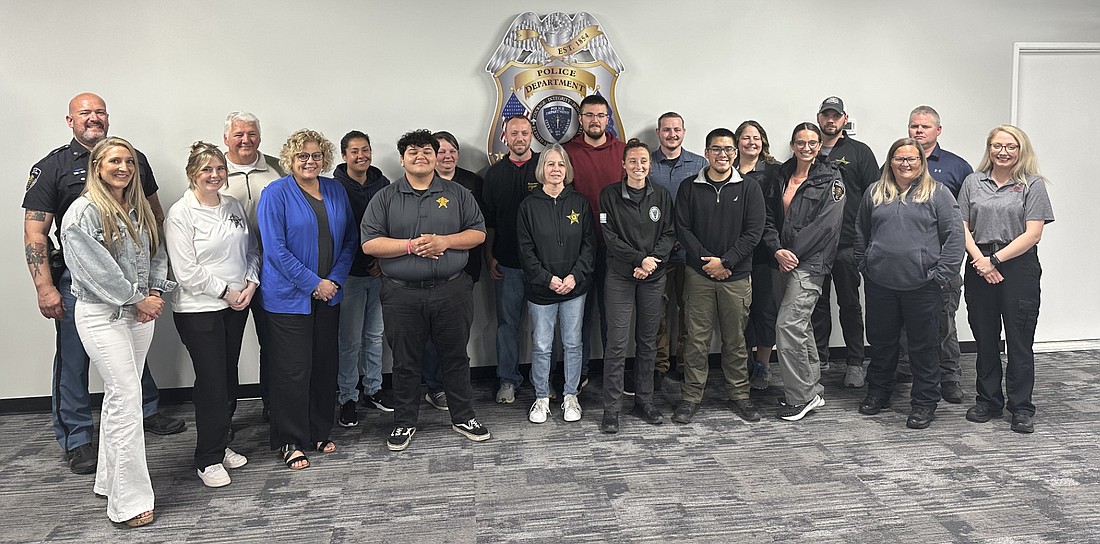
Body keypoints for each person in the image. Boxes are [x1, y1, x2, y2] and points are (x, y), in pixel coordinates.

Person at [22, 93, 184, 476]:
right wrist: (44, 286)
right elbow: (35, 232)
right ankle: (77, 437)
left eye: (100, 112)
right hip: (82, 280)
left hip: (136, 276)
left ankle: (144, 411)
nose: (93, 118)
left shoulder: (135, 159)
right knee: (75, 358)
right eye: (85, 113)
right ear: (70, 120)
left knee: (128, 352)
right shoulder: (52, 168)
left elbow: (152, 215)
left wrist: (152, 284)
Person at [60, 136, 176, 527]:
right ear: (97, 166)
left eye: (128, 161)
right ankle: (127, 503)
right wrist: (136, 299)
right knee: (128, 398)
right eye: (114, 161)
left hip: (140, 312)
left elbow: (157, 251)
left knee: (118, 397)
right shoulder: (83, 212)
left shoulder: (139, 206)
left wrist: (155, 291)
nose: (123, 167)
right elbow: (94, 270)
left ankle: (109, 480)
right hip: (102, 314)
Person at [361, 129, 490, 452]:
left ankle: (463, 416)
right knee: (405, 361)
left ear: (436, 157)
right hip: (401, 294)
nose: (421, 157)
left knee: (456, 356)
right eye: (413, 152)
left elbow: (478, 233)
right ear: (403, 159)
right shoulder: (386, 197)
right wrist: (409, 246)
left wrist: (444, 241)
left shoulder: (458, 193)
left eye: (427, 152)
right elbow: (369, 243)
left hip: (451, 290)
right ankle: (404, 421)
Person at [256, 129, 357, 469]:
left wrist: (334, 281)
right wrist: (313, 283)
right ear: (290, 160)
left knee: (324, 366)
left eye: (316, 156)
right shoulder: (276, 194)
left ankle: (318, 431)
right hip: (288, 298)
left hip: (329, 295)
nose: (310, 161)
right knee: (292, 371)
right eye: (303, 156)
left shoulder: (335, 189)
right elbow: (275, 250)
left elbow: (349, 240)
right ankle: (289, 440)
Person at [165, 142, 258, 486]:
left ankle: (221, 443)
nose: (215, 175)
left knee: (227, 378)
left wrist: (251, 281)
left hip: (236, 305)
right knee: (213, 382)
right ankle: (207, 458)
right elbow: (186, 271)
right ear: (192, 174)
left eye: (220, 169)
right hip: (199, 309)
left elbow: (250, 249)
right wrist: (227, 291)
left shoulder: (232, 205)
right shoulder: (181, 213)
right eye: (207, 170)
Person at [854, 138, 964, 430]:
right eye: (899, 158)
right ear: (890, 162)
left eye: (912, 159)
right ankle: (878, 393)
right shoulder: (875, 193)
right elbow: (860, 232)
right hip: (881, 284)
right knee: (881, 344)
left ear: (921, 162)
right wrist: (866, 265)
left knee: (924, 348)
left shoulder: (938, 194)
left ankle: (924, 402)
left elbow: (955, 238)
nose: (905, 164)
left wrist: (941, 276)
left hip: (923, 286)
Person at [959, 125, 1054, 434]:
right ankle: (987, 401)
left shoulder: (1033, 185)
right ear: (989, 149)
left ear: (1020, 150)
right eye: (997, 146)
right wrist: (980, 261)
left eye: (1010, 146)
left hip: (1018, 267)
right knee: (985, 338)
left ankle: (1021, 407)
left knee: (1019, 339)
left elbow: (1033, 233)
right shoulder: (973, 182)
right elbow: (961, 226)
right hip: (978, 264)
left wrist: (995, 261)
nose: (1003, 152)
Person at [671, 128, 766, 425]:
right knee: (696, 340)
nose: (722, 154)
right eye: (716, 149)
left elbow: (754, 232)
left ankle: (740, 395)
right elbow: (682, 229)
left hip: (736, 276)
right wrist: (707, 263)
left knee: (735, 340)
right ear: (706, 152)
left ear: (735, 153)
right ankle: (690, 397)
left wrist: (725, 261)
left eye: (728, 149)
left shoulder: (750, 188)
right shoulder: (689, 187)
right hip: (698, 276)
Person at [761, 123, 846, 421]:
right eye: (800, 142)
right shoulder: (781, 175)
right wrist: (776, 250)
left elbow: (826, 226)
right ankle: (812, 389)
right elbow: (768, 216)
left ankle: (799, 397)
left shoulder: (831, 179)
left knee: (787, 326)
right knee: (801, 326)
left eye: (812, 142)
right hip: (780, 260)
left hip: (809, 265)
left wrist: (792, 254)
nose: (806, 147)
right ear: (793, 144)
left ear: (819, 144)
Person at [896, 106, 974, 403]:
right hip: (903, 264)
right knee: (903, 320)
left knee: (943, 321)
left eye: (924, 127)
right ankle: (905, 368)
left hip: (941, 262)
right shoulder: (897, 163)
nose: (918, 131)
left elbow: (966, 219)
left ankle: (949, 376)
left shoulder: (957, 167)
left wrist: (954, 263)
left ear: (937, 130)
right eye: (914, 125)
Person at [599, 139, 675, 433]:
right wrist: (640, 259)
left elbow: (669, 233)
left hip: (653, 277)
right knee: (617, 344)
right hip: (620, 276)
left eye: (643, 161)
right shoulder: (609, 195)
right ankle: (612, 408)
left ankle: (644, 401)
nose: (638, 166)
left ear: (650, 165)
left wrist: (652, 261)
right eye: (633, 161)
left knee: (647, 341)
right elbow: (610, 237)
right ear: (623, 165)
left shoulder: (662, 196)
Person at [517, 144, 595, 424]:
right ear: (541, 170)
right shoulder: (528, 206)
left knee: (573, 343)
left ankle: (570, 395)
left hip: (575, 287)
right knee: (541, 345)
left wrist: (574, 276)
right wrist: (547, 279)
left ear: (567, 170)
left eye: (560, 164)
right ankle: (541, 397)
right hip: (541, 290)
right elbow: (525, 251)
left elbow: (589, 245)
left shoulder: (580, 202)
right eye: (550, 164)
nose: (555, 170)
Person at [219, 111, 286, 421]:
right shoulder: (213, 168)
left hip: (273, 270)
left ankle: (274, 406)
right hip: (230, 276)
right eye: (238, 134)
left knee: (273, 345)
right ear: (226, 139)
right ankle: (226, 415)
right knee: (226, 351)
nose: (245, 140)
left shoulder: (278, 166)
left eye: (251, 133)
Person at [417, 131, 487, 411]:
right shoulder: (420, 184)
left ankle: (456, 385)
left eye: (452, 151)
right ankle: (435, 387)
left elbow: (482, 226)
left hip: (465, 270)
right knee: (431, 335)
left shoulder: (472, 182)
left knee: (457, 333)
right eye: (441, 151)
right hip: (427, 271)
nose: (447, 156)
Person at [813, 97, 878, 387]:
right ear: (819, 118)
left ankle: (854, 362)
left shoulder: (859, 152)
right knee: (816, 303)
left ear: (844, 119)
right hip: (814, 245)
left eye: (835, 116)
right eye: (826, 115)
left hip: (848, 244)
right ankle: (818, 359)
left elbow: (874, 197)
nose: (831, 120)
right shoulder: (808, 151)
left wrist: (868, 239)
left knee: (850, 305)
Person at [563, 94, 625, 385]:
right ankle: (581, 372)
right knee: (580, 316)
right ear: (581, 119)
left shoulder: (623, 152)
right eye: (589, 115)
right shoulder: (567, 153)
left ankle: (615, 375)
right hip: (579, 251)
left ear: (607, 118)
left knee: (613, 317)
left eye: (601, 115)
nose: (595, 120)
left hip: (617, 250)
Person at [333, 130, 392, 428]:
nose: (361, 156)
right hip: (349, 275)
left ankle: (373, 388)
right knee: (349, 341)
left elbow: (391, 226)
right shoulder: (332, 188)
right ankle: (347, 396)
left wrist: (382, 260)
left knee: (374, 336)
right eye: (354, 151)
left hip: (380, 272)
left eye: (365, 149)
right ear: (344, 156)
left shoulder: (383, 185)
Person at [482, 115, 539, 404]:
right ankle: (508, 379)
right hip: (507, 263)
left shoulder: (546, 167)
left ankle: (544, 380)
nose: (520, 137)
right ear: (505, 137)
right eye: (514, 133)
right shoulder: (493, 174)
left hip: (543, 266)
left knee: (545, 327)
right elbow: (489, 222)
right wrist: (490, 255)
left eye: (525, 132)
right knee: (507, 325)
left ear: (532, 135)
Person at [650, 112, 707, 387]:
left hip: (690, 254)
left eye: (676, 129)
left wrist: (686, 239)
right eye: (666, 130)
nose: (671, 134)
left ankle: (685, 365)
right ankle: (659, 366)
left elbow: (706, 207)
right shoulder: (645, 163)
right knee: (657, 314)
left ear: (684, 132)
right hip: (656, 254)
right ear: (658, 133)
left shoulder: (700, 164)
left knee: (690, 314)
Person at [734, 120, 782, 391]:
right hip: (737, 253)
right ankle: (745, 362)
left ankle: (762, 364)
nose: (751, 142)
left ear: (763, 141)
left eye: (756, 137)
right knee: (741, 314)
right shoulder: (727, 171)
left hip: (765, 253)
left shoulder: (774, 171)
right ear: (737, 141)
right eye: (745, 137)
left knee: (764, 309)